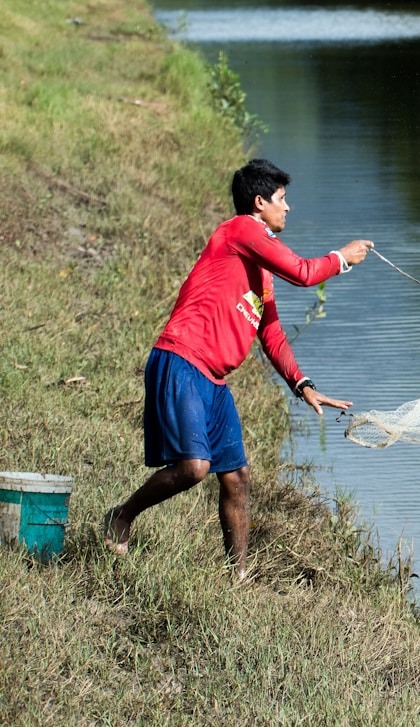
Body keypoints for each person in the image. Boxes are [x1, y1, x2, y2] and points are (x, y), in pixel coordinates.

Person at [103, 158, 373, 580]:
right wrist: (343, 258)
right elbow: (304, 273)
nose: (289, 208)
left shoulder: (259, 266)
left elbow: (272, 333)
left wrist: (302, 384)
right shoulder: (242, 230)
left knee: (237, 478)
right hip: (183, 360)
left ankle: (238, 578)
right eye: (283, 200)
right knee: (194, 468)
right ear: (259, 201)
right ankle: (121, 515)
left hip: (213, 380)